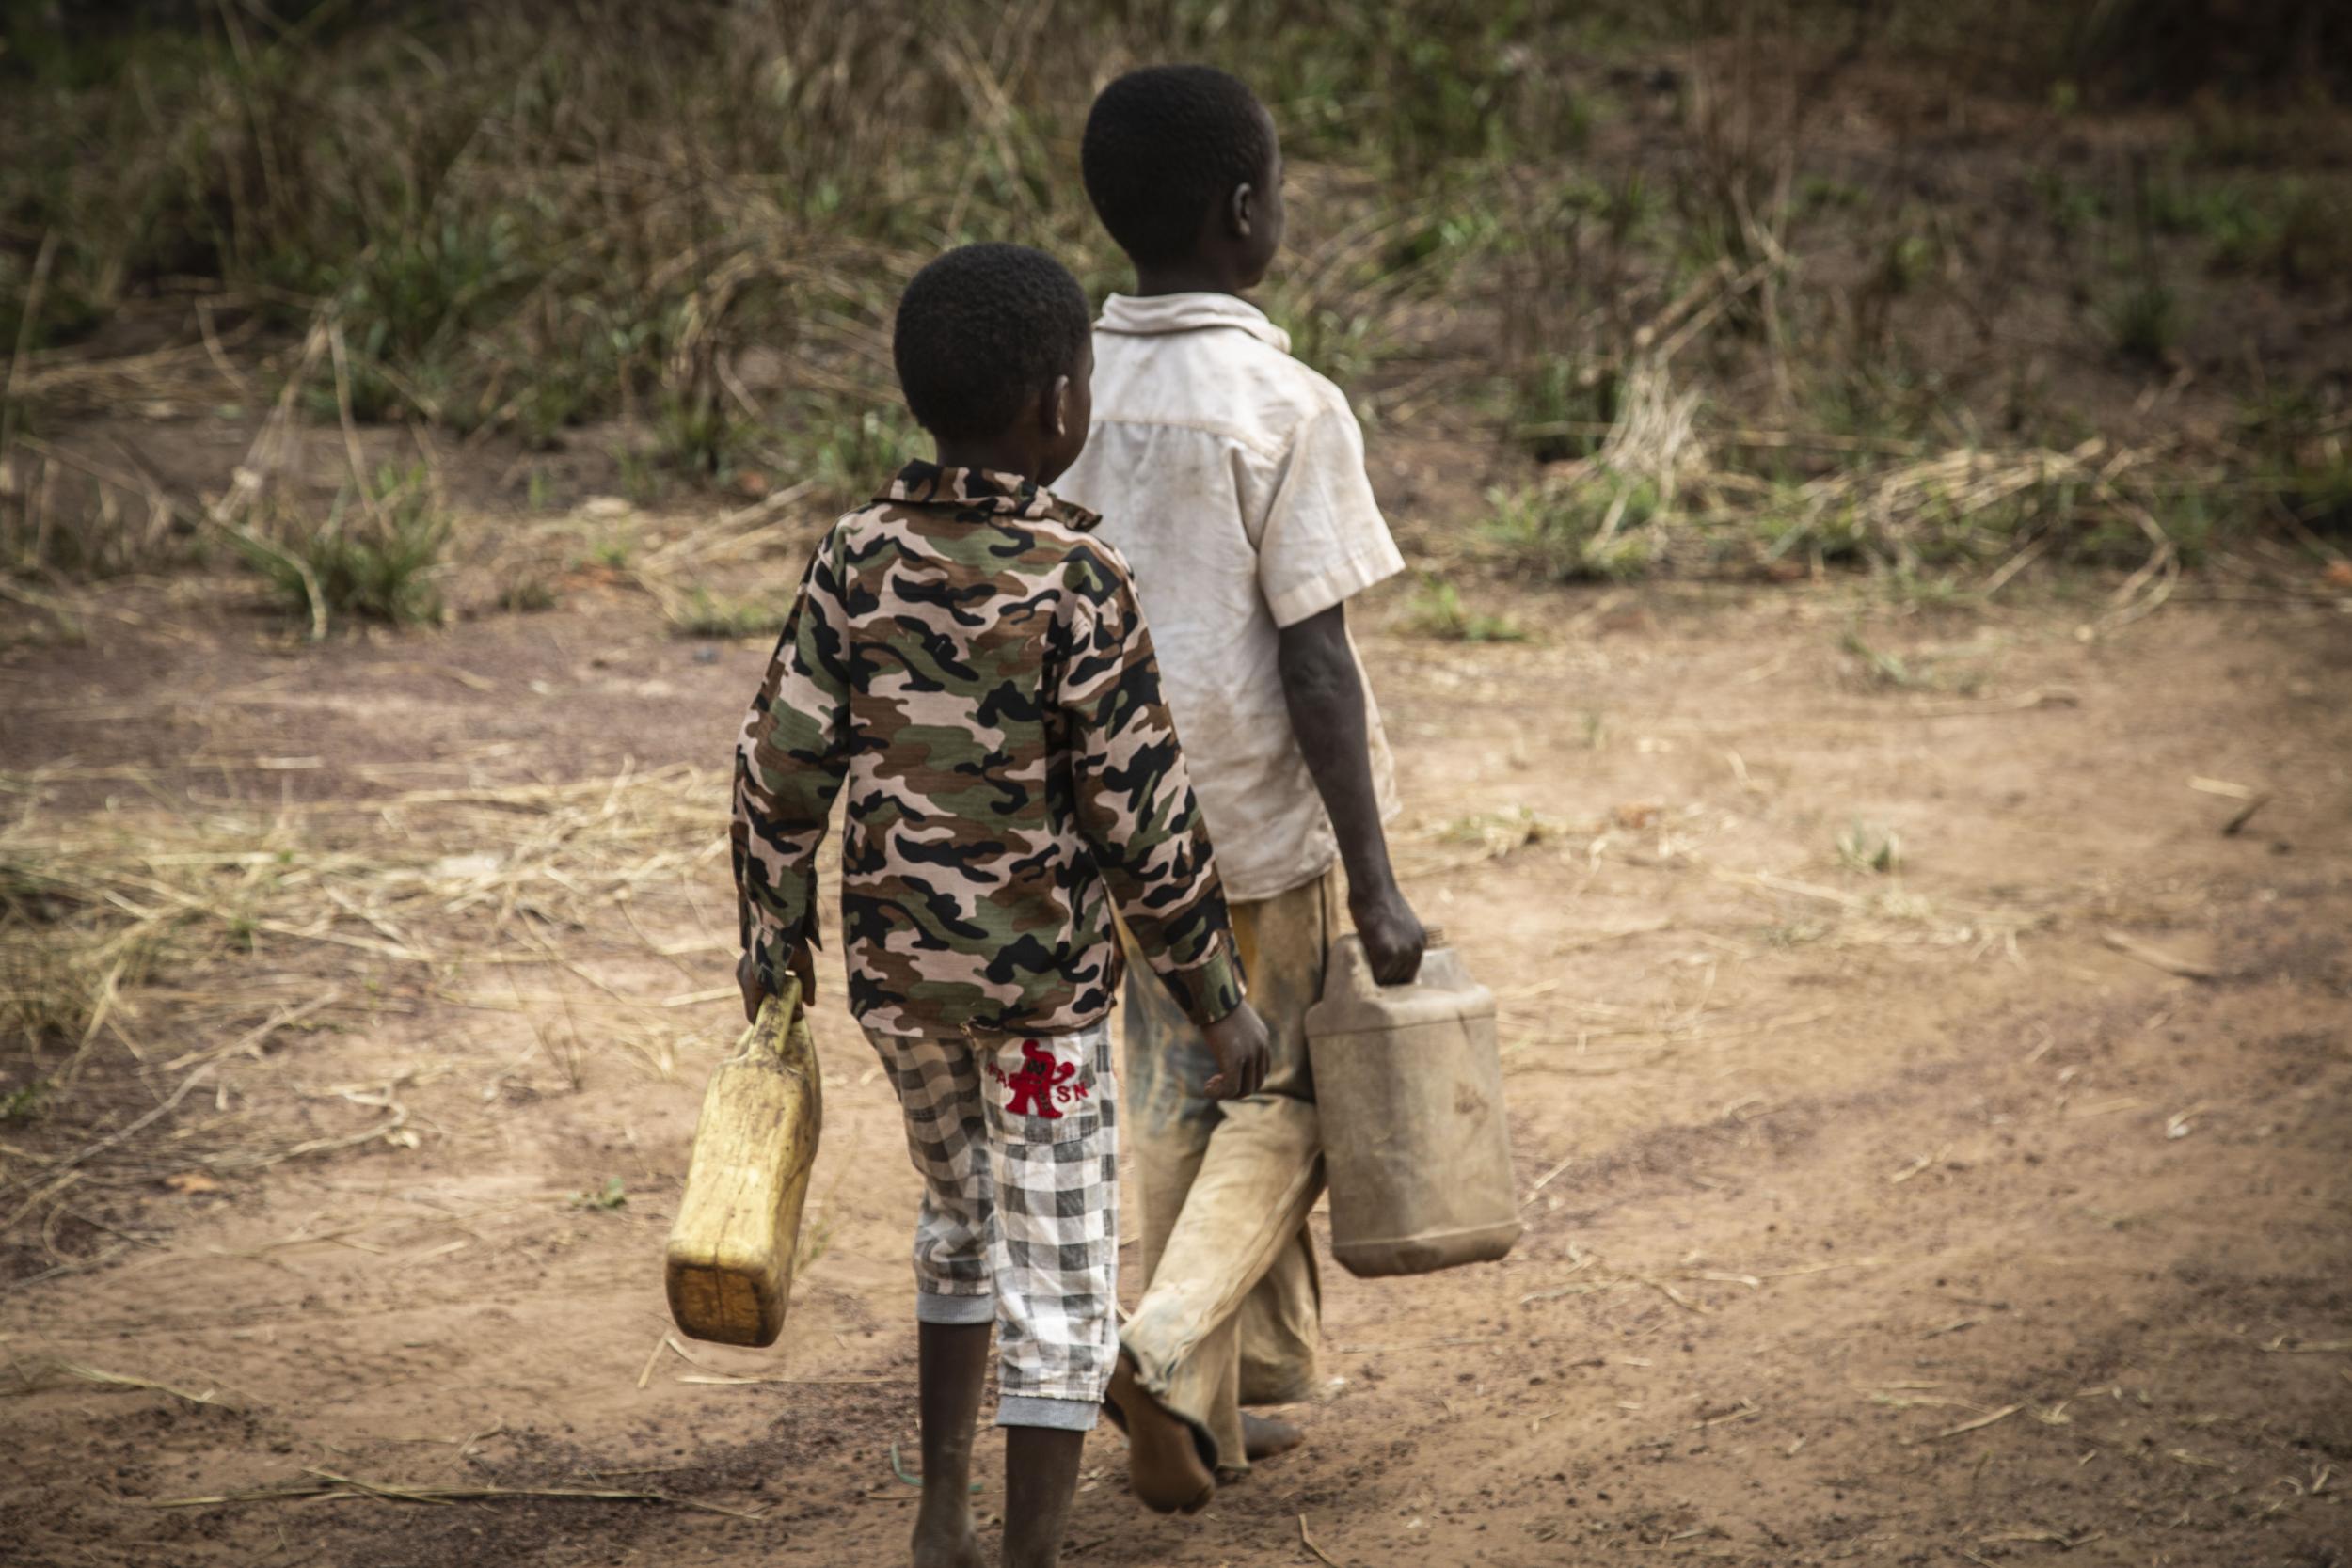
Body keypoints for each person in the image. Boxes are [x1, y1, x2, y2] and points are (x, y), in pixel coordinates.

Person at [729, 242, 1273, 1568]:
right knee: (1065, 1262)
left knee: (957, 1221)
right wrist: (1218, 998)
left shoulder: (852, 556)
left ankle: (936, 1521)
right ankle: (1026, 1552)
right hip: (1043, 1010)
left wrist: (773, 938)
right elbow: (1141, 818)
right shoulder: (1076, 580)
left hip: (902, 997)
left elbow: (776, 768)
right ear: (1058, 406)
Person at [1056, 66, 1429, 1514]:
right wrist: (1379, 881)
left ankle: (1224, 1392)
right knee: (1296, 1095)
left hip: (1111, 827)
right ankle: (1165, 1346)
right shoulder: (1285, 404)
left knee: (1173, 1095)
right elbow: (1317, 667)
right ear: (1244, 215)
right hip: (1256, 834)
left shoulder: (1066, 390)